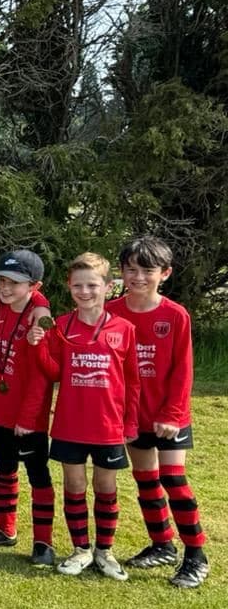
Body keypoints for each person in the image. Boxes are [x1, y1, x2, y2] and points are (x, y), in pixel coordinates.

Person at [25, 253, 140, 581]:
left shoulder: (124, 329)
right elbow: (54, 372)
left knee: (105, 486)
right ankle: (81, 549)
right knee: (74, 486)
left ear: (109, 286)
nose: (85, 291)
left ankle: (105, 551)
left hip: (108, 425)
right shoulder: (61, 325)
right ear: (69, 286)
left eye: (92, 285)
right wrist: (37, 346)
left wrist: (130, 422)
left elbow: (132, 381)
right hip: (70, 423)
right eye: (78, 286)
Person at [109, 235, 207, 588]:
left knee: (173, 480)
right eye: (131, 270)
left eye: (147, 270)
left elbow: (183, 369)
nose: (138, 277)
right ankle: (162, 544)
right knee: (146, 479)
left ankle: (196, 556)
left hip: (168, 416)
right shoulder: (111, 311)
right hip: (132, 415)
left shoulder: (175, 315)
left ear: (165, 273)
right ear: (121, 272)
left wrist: (172, 414)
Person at [0, 249, 53, 552]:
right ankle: (5, 530)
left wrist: (29, 418)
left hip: (27, 417)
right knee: (4, 469)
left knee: (38, 476)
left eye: (14, 282)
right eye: (2, 281)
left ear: (34, 286)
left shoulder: (40, 319)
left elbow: (42, 377)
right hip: (1, 407)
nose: (5, 287)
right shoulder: (5, 306)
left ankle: (43, 542)